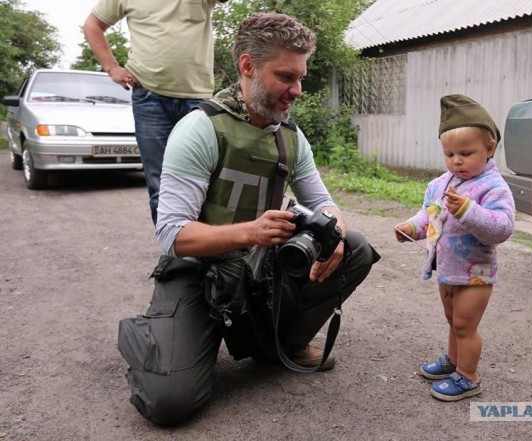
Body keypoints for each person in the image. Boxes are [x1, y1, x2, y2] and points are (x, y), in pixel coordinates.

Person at [117, 12, 379, 425]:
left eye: (300, 78)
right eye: (285, 77)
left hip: (259, 269)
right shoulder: (200, 128)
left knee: (357, 248)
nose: (297, 91)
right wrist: (251, 232)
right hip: (199, 271)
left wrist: (336, 232)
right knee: (169, 403)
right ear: (247, 66)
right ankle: (153, 336)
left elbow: (324, 202)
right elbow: (171, 235)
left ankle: (277, 346)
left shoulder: (291, 136)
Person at [394, 94, 515, 402]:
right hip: (447, 270)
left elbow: (501, 228)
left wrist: (468, 211)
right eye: (449, 154)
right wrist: (411, 227)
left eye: (465, 152)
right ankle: (453, 360)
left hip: (476, 273)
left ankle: (468, 376)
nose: (456, 160)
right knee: (453, 321)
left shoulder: (493, 187)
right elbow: (429, 215)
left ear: (489, 148)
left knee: (465, 324)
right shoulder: (440, 184)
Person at [83, 0, 228, 225]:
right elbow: (92, 25)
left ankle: (209, 249)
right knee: (161, 184)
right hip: (149, 96)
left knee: (208, 180)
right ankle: (175, 255)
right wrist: (112, 68)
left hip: (197, 98)